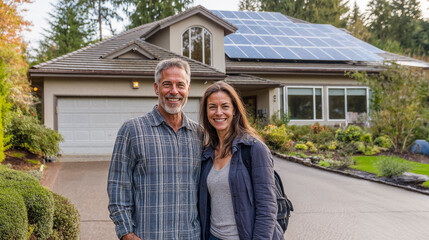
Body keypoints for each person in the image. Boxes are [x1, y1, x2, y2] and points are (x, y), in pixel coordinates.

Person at [107, 58, 202, 240]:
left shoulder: (200, 134)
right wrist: (126, 233)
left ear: (188, 89)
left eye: (180, 85)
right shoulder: (132, 130)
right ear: (157, 88)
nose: (174, 91)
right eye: (167, 84)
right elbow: (118, 186)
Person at [198, 81, 284, 240]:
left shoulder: (254, 149)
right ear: (206, 112)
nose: (218, 112)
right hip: (213, 236)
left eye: (225, 106)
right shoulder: (207, 153)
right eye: (212, 107)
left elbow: (267, 207)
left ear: (234, 110)